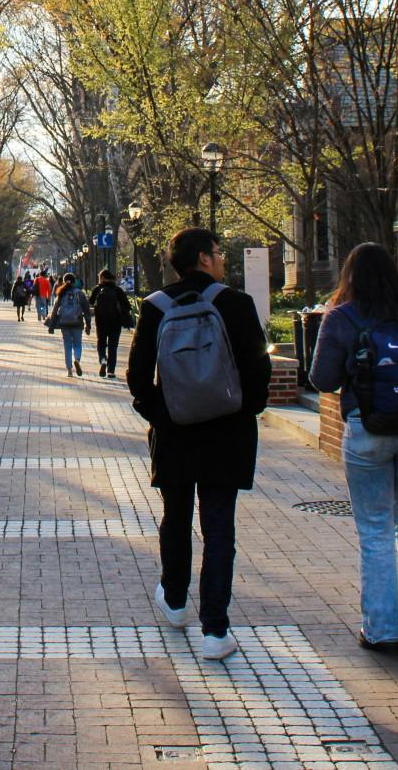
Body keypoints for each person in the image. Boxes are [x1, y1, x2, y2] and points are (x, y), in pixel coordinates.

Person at [128, 228, 271, 660]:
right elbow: (257, 371)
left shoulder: (155, 308)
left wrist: (164, 413)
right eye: (218, 252)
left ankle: (174, 601)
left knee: (175, 517)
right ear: (204, 259)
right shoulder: (236, 304)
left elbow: (137, 378)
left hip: (175, 433)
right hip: (227, 433)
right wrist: (244, 411)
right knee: (219, 527)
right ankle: (215, 629)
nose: (223, 259)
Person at [308, 242, 398, 657]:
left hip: (367, 430)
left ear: (349, 277)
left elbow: (321, 380)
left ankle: (382, 631)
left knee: (374, 530)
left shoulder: (342, 317)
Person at [90, 268, 133, 378]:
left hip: (101, 322)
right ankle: (111, 371)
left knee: (101, 342)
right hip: (115, 322)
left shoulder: (98, 289)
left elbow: (90, 302)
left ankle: (103, 359)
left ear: (103, 278)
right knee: (113, 347)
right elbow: (127, 306)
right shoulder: (118, 290)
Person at [50, 271, 89, 376]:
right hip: (77, 322)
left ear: (63, 281)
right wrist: (88, 324)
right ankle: (77, 359)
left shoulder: (61, 293)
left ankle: (69, 370)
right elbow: (86, 310)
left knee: (67, 346)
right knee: (77, 344)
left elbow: (55, 309)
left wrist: (51, 324)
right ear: (74, 281)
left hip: (64, 323)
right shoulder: (80, 293)